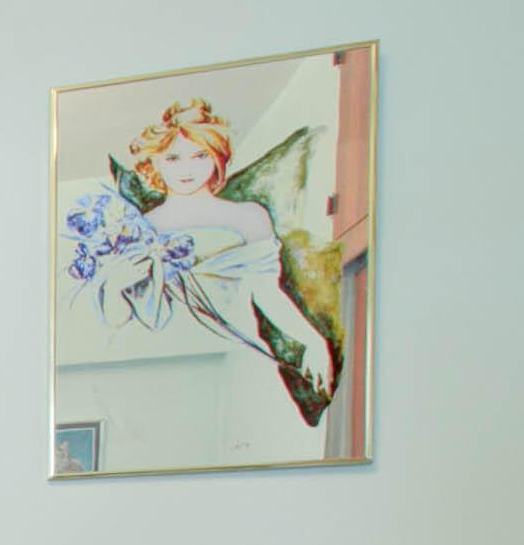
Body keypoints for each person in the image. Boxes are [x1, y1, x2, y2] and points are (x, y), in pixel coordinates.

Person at [64, 98, 337, 411]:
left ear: (217, 158)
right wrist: (115, 285)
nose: (187, 169)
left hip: (232, 354)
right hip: (160, 364)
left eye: (199, 155)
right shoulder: (136, 229)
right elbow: (118, 319)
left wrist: (313, 341)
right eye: (173, 158)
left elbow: (266, 292)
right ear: (154, 162)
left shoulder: (247, 217)